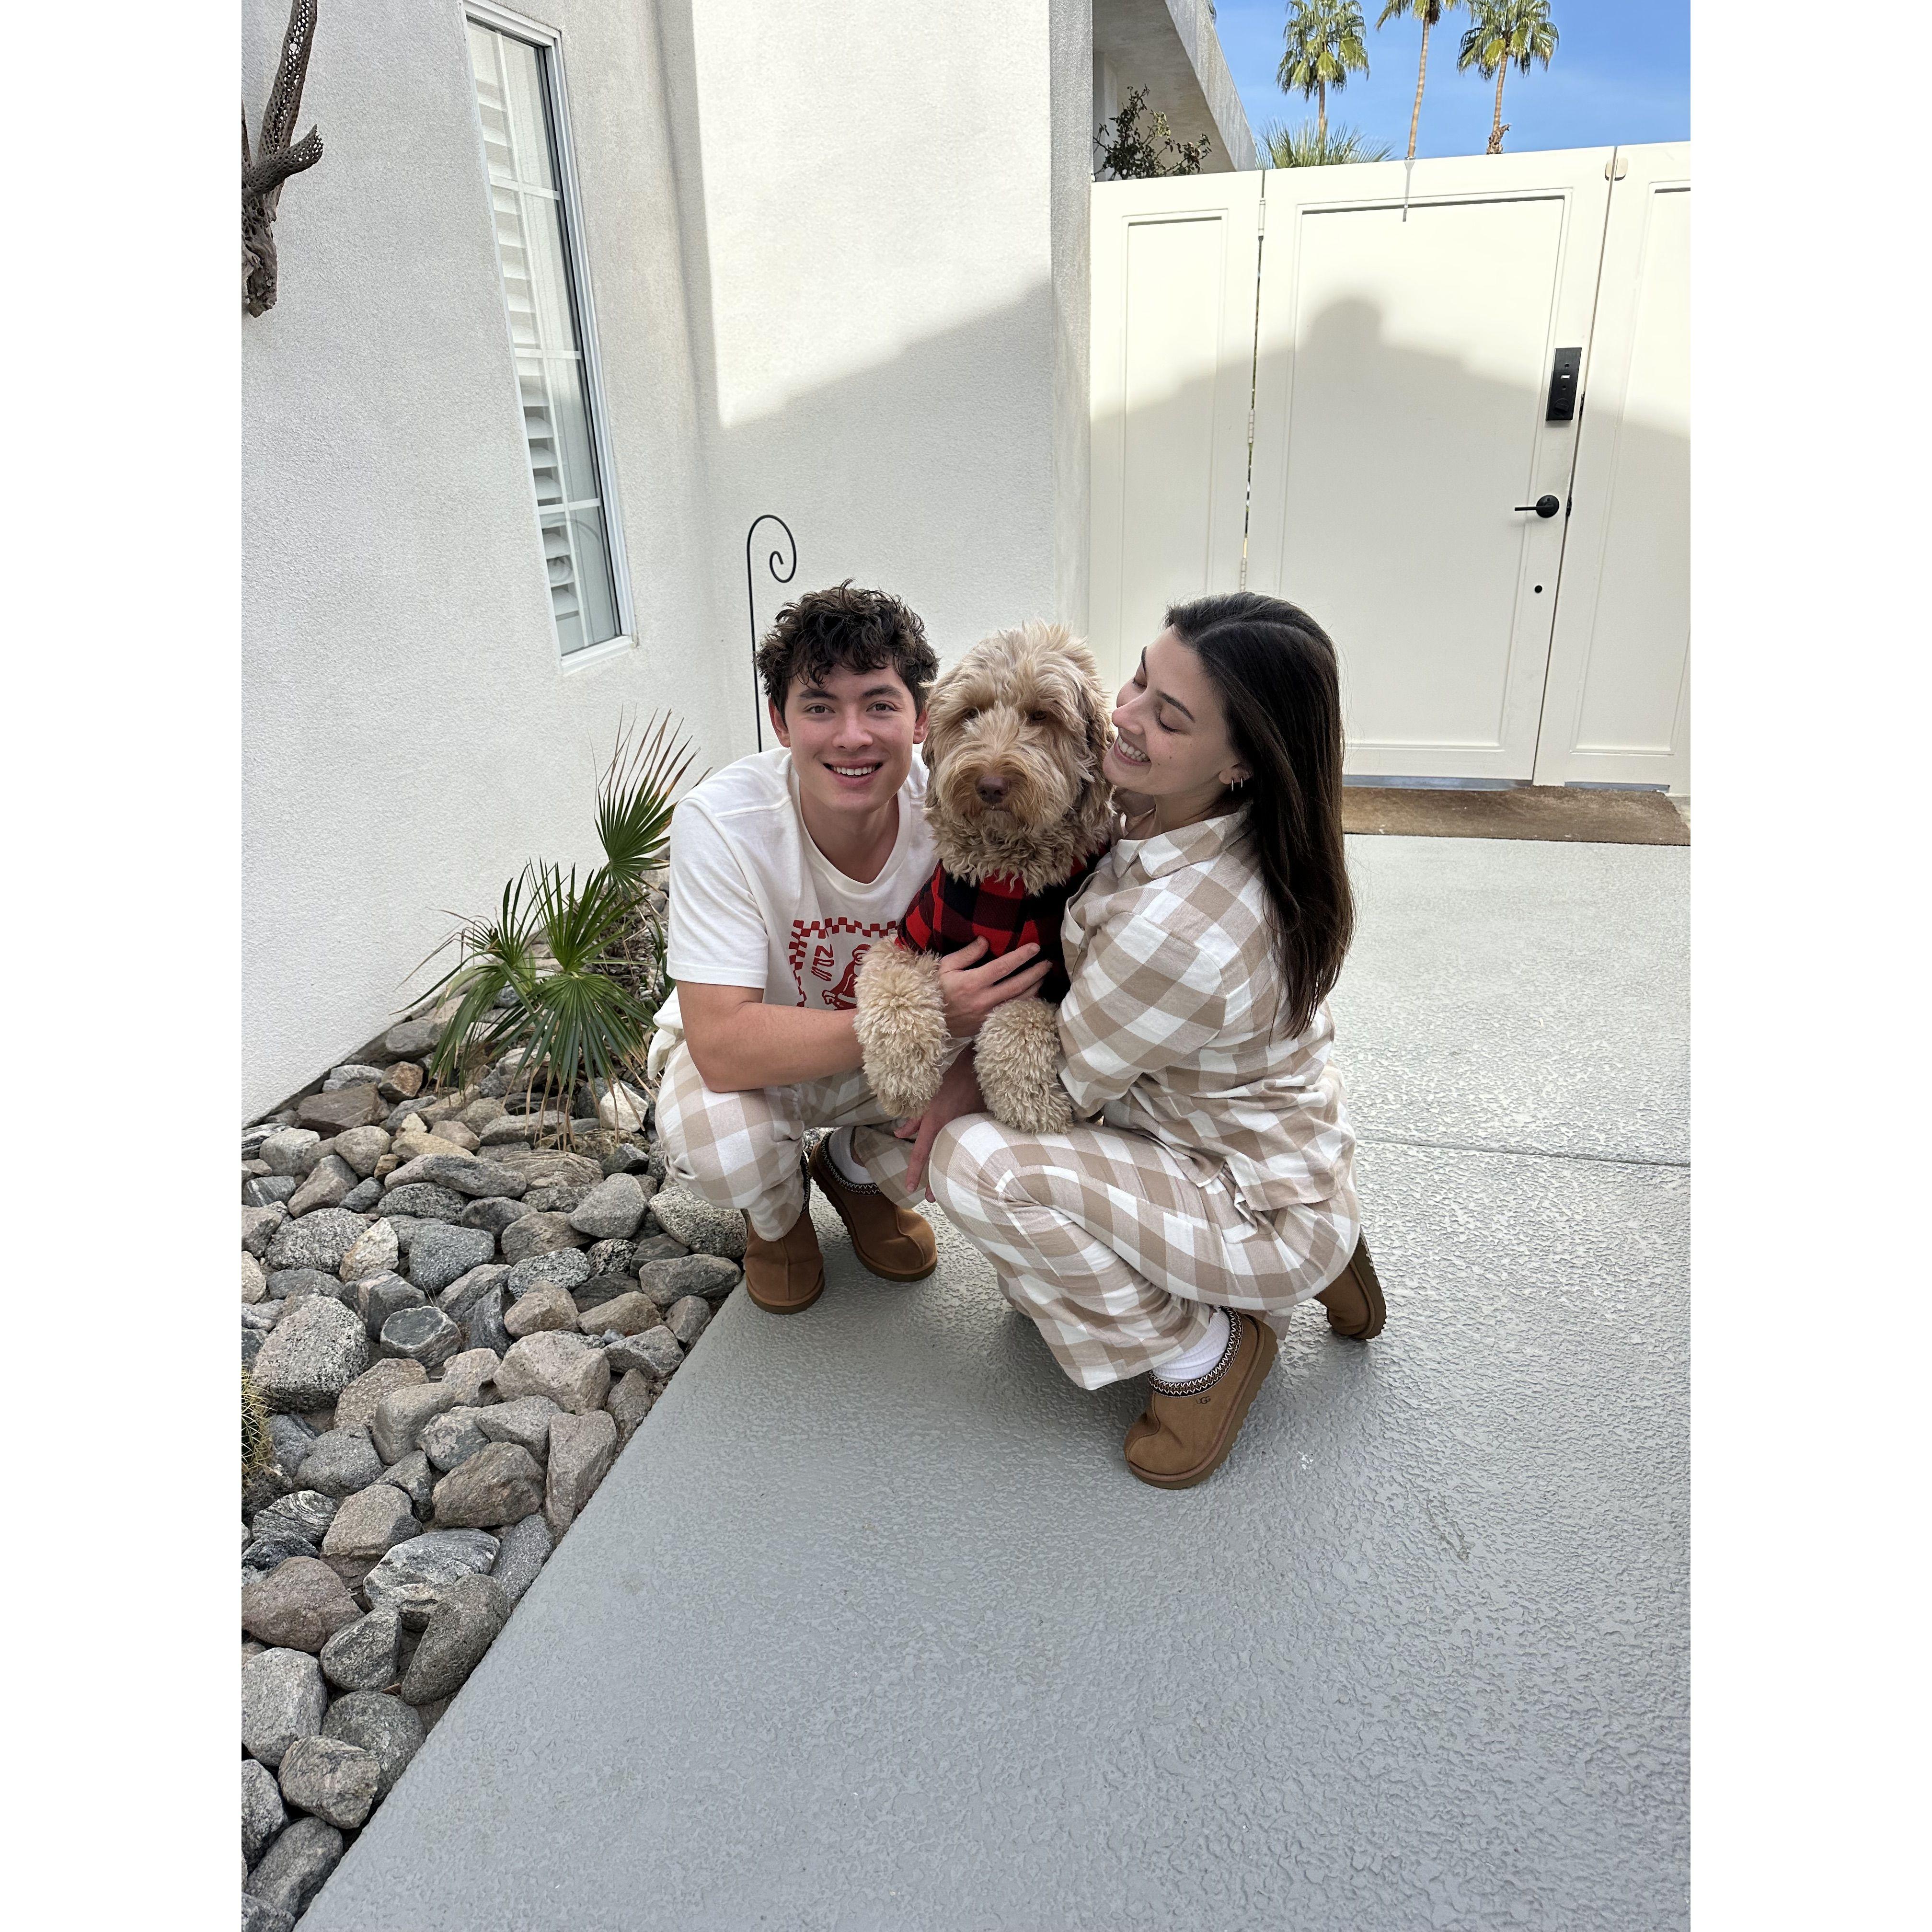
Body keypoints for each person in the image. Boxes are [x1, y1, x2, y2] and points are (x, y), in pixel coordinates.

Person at [854, 591, 1385, 1490]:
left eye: (1169, 718)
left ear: (1244, 763)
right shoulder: (1199, 819)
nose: (1125, 717)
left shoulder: (1174, 933)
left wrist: (950, 1088)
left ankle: (1204, 1353)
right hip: (1287, 1148)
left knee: (974, 1163)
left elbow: (1053, 1091)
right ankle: (1328, 1255)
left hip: (1242, 1197)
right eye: (1138, 680)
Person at [649, 583, 1052, 1312]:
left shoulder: (965, 806)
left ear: (921, 718)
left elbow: (1026, 961)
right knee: (721, 1145)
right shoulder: (724, 822)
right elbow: (723, 1045)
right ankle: (777, 1218)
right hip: (769, 1063)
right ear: (779, 722)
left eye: (879, 704)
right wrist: (928, 1012)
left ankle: (857, 1173)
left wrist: (965, 1072)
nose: (852, 736)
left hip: (906, 1059)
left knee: (1011, 1093)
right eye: (819, 707)